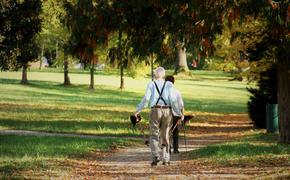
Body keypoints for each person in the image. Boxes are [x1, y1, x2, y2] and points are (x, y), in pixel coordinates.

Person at [134, 67, 183, 166]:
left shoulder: (151, 84)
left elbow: (146, 98)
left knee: (154, 134)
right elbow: (173, 100)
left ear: (155, 74)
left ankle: (156, 156)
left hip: (155, 110)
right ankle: (166, 158)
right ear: (164, 75)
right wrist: (178, 113)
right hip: (167, 110)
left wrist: (138, 110)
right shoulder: (169, 84)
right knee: (165, 134)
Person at [165, 75, 184, 154]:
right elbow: (181, 105)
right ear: (173, 82)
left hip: (165, 113)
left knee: (166, 131)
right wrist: (182, 114)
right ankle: (176, 149)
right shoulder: (177, 91)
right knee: (175, 131)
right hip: (175, 114)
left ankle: (168, 148)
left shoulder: (162, 92)